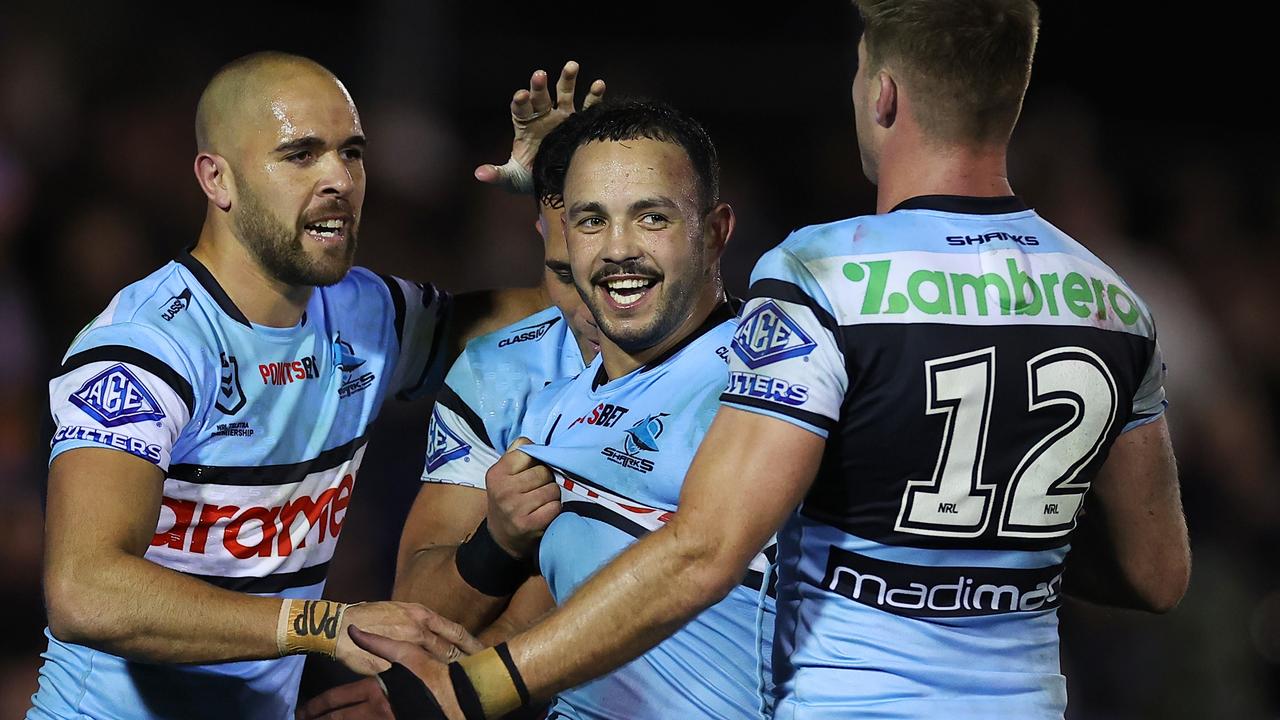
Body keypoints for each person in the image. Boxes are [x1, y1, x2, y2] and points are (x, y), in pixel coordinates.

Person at [358, 3, 1192, 719]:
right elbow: (1156, 573)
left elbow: (704, 547)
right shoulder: (1114, 300)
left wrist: (480, 691)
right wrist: (982, 545)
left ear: (883, 93)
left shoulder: (823, 275)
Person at [29, 51, 556, 720]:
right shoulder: (146, 347)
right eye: (301, 154)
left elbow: (557, 318)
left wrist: (560, 198)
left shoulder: (365, 316)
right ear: (217, 179)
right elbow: (84, 591)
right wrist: (319, 623)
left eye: (353, 153)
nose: (340, 177)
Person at [295, 63, 605, 720]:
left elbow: (616, 585)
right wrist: (497, 539)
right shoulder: (499, 366)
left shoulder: (740, 365)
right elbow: (426, 616)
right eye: (563, 270)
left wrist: (431, 696)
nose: (591, 304)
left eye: (351, 157)